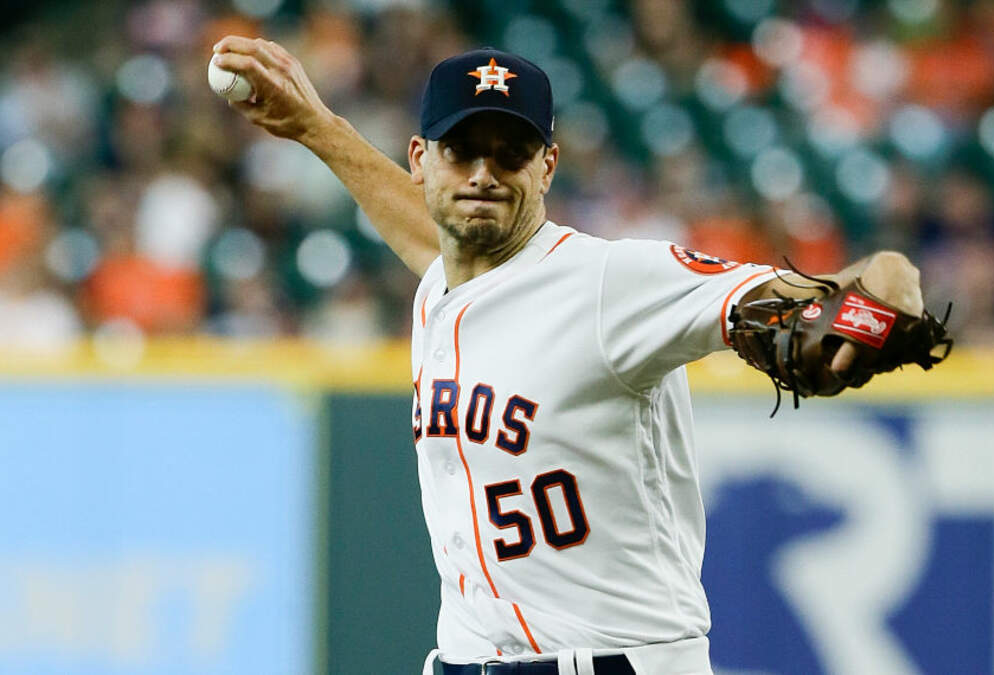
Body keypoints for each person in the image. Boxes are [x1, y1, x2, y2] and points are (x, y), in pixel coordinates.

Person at [212, 37, 926, 674]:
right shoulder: (444, 279)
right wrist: (316, 128)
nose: (485, 173)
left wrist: (880, 286)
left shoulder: (610, 283)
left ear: (548, 166)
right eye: (462, 149)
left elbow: (792, 294)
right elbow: (427, 229)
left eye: (511, 153)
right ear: (422, 159)